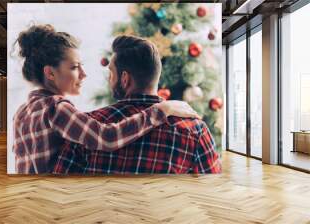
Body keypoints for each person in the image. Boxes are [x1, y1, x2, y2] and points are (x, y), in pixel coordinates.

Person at [13, 25, 200, 174]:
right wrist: (162, 110)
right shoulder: (57, 109)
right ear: (50, 73)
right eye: (75, 67)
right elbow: (108, 137)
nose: (84, 74)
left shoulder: (21, 113)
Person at [53, 35, 221, 174]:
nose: (109, 79)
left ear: (124, 79)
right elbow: (211, 189)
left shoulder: (88, 126)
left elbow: (61, 184)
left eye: (111, 72)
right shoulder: (194, 129)